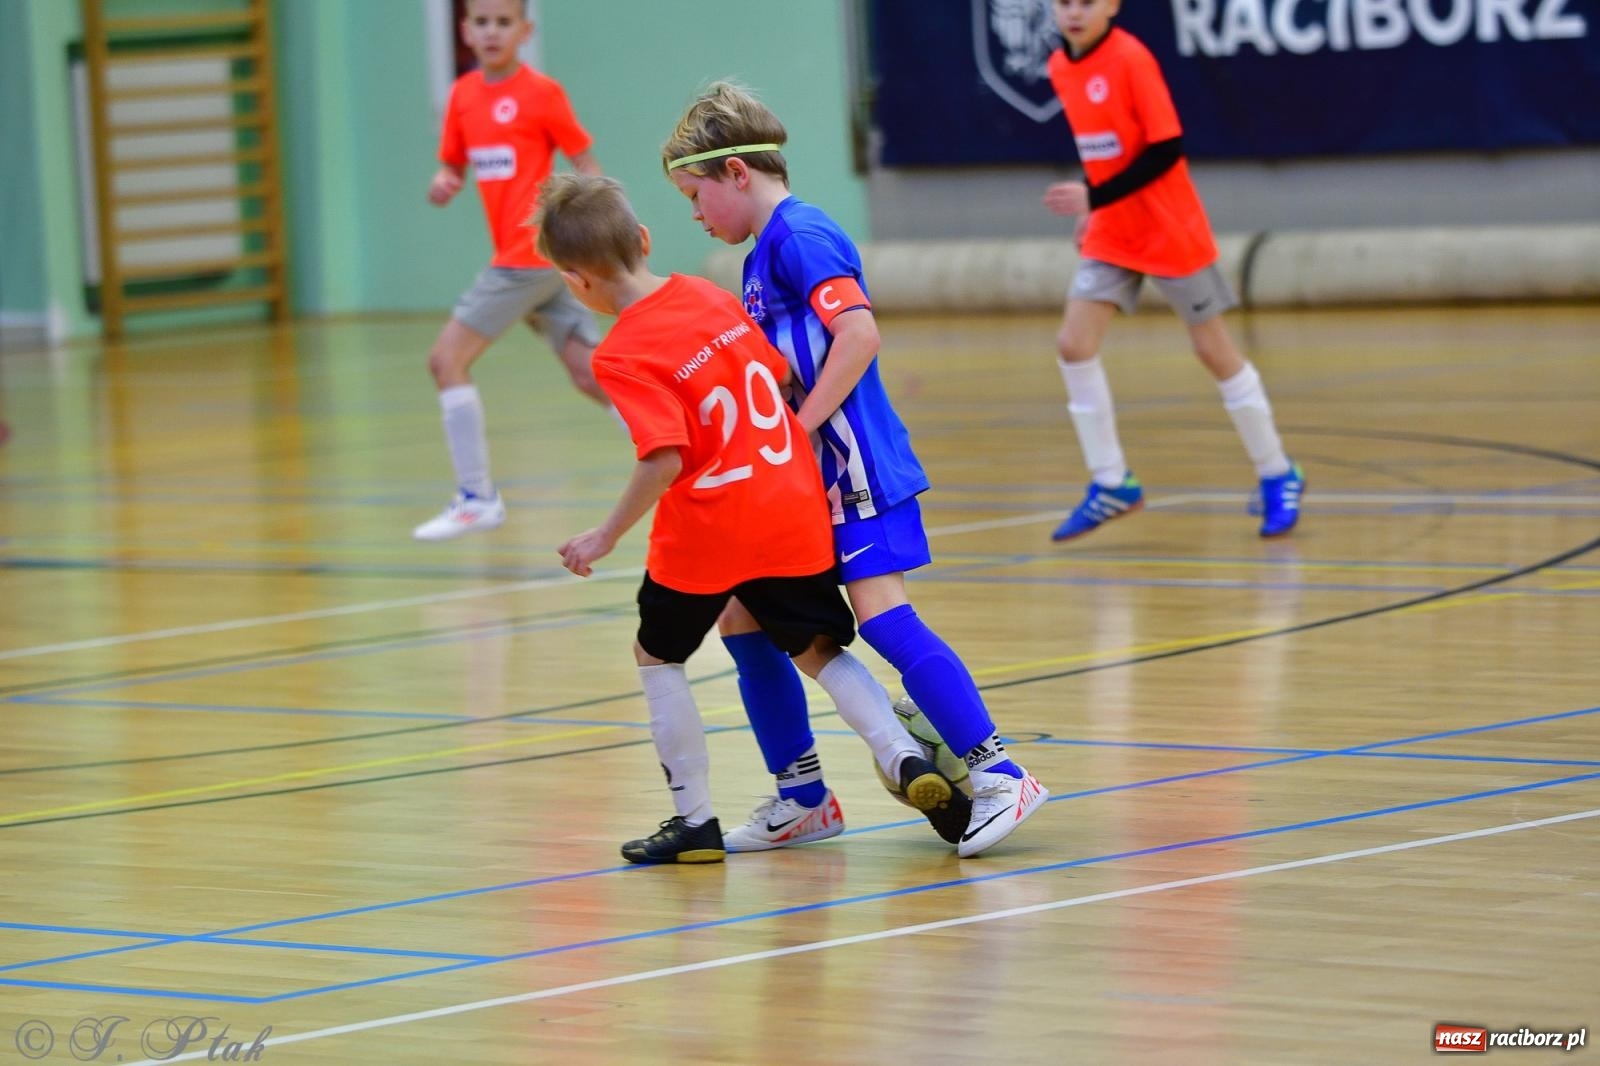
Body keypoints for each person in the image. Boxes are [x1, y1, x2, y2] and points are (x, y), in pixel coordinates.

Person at [663, 83, 1049, 859]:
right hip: (804, 483)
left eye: (695, 194)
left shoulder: (803, 234)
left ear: (736, 171)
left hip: (856, 467)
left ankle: (1002, 773)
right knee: (744, 617)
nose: (695, 214)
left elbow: (859, 336)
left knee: (883, 618)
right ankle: (804, 799)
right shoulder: (756, 261)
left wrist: (799, 432)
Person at [536, 173, 966, 864]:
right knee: (812, 646)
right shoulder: (708, 295)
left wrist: (605, 533)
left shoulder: (619, 353)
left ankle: (696, 820)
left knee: (658, 655)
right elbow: (769, 373)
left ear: (573, 283)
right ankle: (899, 754)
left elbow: (663, 457)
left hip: (711, 530)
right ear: (643, 241)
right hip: (792, 506)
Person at [1042, 0, 1304, 542]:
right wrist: (1096, 209)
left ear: (1112, 5)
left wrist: (1094, 194)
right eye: (1062, 1)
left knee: (1213, 350)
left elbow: (1165, 150)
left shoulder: (1132, 59)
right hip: (1113, 229)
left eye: (1085, 1)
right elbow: (1102, 149)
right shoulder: (1060, 66)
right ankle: (1112, 482)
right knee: (1074, 344)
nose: (1072, 12)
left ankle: (1278, 472)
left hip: (1167, 227)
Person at [413, 0, 610, 542]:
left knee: (445, 361)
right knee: (588, 372)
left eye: (504, 22)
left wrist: (601, 220)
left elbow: (585, 161)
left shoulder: (542, 93)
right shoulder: (463, 96)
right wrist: (445, 182)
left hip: (527, 258)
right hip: (540, 266)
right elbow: (454, 165)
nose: (492, 31)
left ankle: (476, 497)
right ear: (465, 31)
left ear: (526, 31)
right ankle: (676, 446)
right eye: (482, 22)